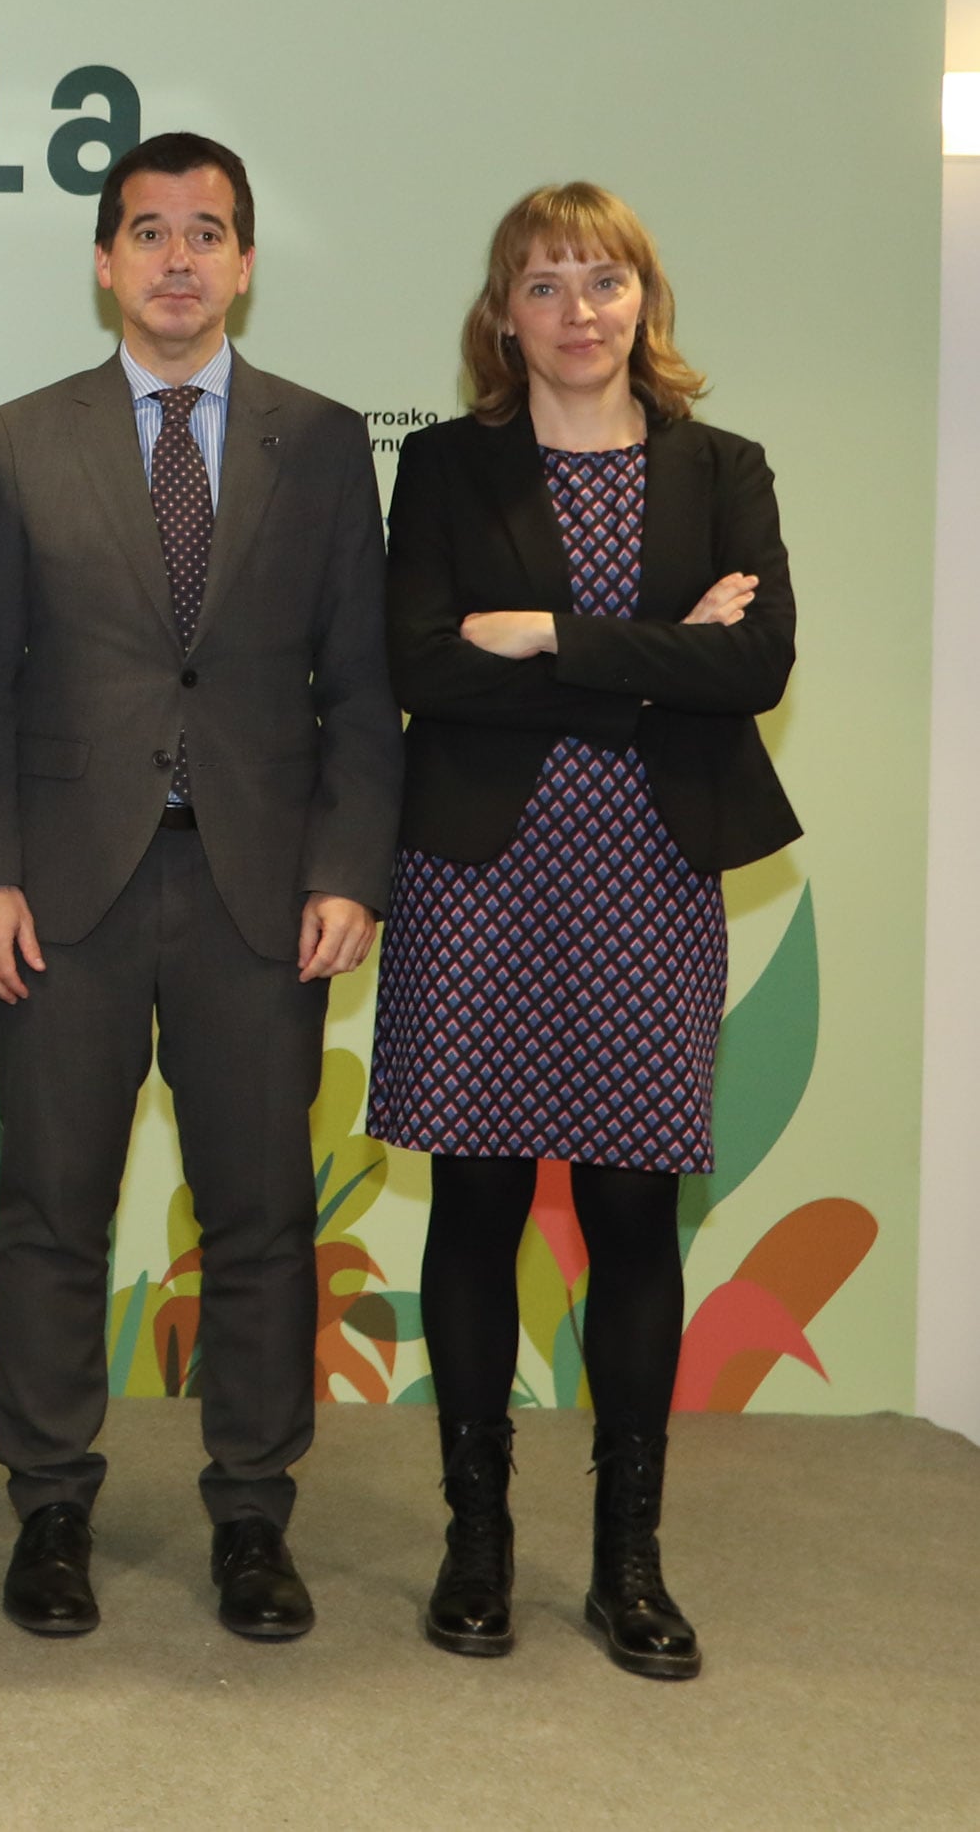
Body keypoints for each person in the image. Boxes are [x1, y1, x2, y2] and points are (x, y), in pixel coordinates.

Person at [0, 131, 400, 1645]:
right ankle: (52, 1505)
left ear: (249, 262)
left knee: (262, 1214)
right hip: (65, 889)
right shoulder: (20, 436)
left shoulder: (325, 443)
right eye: (150, 232)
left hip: (258, 893)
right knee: (53, 1210)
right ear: (104, 261)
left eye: (209, 232)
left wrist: (348, 868)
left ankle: (254, 1515)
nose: (180, 260)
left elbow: (364, 684)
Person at [367, 183, 793, 1681]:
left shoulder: (722, 469)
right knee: (475, 1208)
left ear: (644, 300)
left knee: (628, 1219)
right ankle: (474, 1540)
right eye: (542, 283)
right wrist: (657, 659)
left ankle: (630, 1561)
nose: (576, 309)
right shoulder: (442, 466)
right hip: (480, 878)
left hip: (652, 878)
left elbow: (755, 665)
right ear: (503, 315)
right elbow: (421, 664)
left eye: (602, 278)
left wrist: (543, 636)